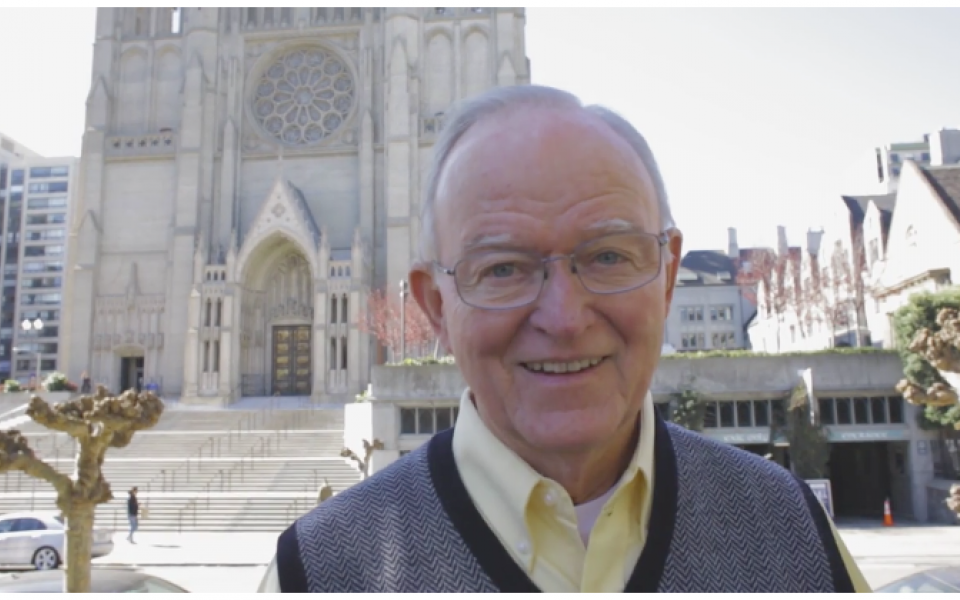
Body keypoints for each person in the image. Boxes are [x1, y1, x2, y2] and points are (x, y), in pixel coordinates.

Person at [260, 85, 871, 593]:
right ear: (437, 306)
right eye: (502, 267)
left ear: (667, 277)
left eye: (608, 255)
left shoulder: (798, 537)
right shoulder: (317, 574)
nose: (564, 317)